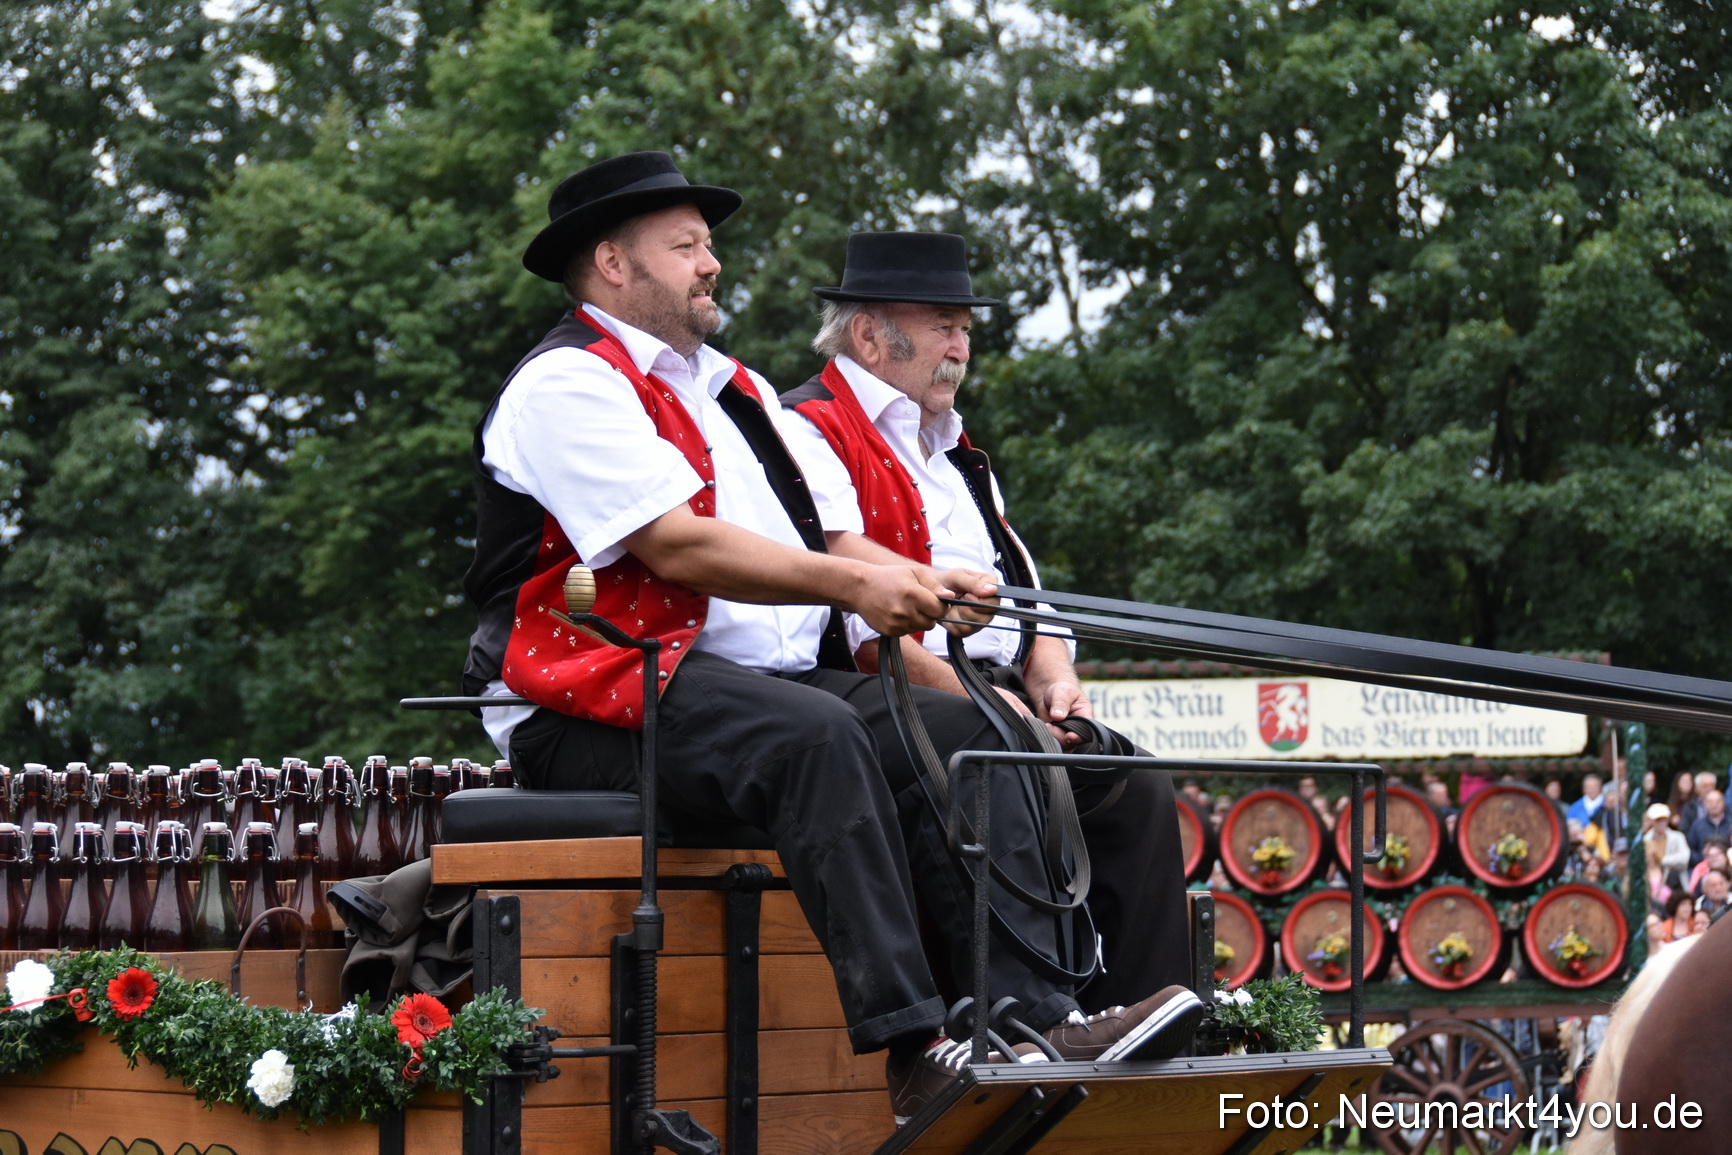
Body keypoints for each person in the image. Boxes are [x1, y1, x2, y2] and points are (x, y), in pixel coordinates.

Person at [460, 154, 1201, 1121]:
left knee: (966, 737)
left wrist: (921, 582)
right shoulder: (564, 384)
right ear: (611, 262)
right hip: (594, 695)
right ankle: (913, 1049)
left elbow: (820, 536)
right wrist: (862, 582)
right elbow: (672, 542)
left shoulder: (735, 392)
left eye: (708, 244)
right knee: (817, 737)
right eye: (685, 246)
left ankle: (1031, 1019)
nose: (710, 263)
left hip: (739, 684)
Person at [776, 231, 1193, 1012]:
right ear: (868, 333)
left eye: (964, 328)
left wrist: (1053, 675)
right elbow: (851, 602)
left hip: (989, 692)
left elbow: (1019, 583)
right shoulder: (807, 429)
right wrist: (987, 707)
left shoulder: (959, 448)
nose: (961, 346)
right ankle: (1032, 1019)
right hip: (881, 686)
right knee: (997, 759)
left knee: (1133, 782)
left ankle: (1149, 1014)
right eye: (943, 324)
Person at [1685, 789, 1731, 865]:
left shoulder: (1730, 824)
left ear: (1723, 803)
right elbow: (1690, 848)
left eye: (1718, 801)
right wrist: (1702, 860)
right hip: (1703, 867)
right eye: (1711, 802)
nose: (1714, 805)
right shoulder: (1697, 825)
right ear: (1705, 804)